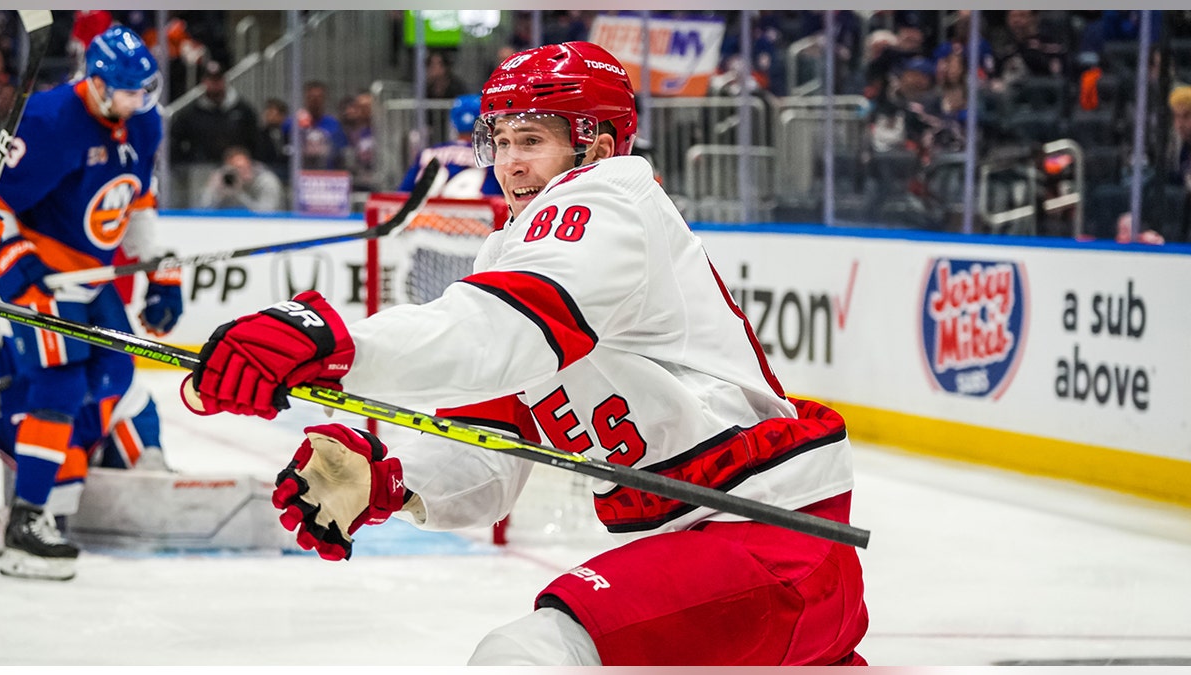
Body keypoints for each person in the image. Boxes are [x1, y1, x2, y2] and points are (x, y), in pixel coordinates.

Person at [181, 41, 867, 666]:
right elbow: (487, 447)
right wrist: (391, 476)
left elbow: (502, 332)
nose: (509, 162)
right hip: (719, 550)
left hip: (766, 540)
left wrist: (340, 344)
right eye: (502, 140)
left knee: (525, 654)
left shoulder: (610, 199)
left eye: (532, 139)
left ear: (597, 147)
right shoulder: (513, 250)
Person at [0, 26, 182, 581]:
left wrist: (161, 271)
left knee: (117, 371)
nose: (137, 102)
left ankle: (43, 488)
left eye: (144, 91)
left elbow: (138, 200)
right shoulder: (49, 121)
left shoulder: (143, 120)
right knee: (61, 382)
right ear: (96, 84)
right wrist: (20, 273)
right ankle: (26, 524)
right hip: (41, 276)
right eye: (127, 91)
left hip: (93, 282)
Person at [398, 93, 501, 198]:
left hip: (426, 212)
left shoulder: (428, 153)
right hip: (472, 212)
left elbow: (401, 195)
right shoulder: (490, 158)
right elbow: (497, 197)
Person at [168, 60, 260, 166]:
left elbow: (255, 140)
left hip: (236, 171)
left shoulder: (243, 110)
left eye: (218, 79)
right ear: (203, 81)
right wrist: (188, 161)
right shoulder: (191, 113)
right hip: (201, 171)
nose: (215, 84)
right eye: (211, 79)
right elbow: (176, 141)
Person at [282, 80, 347, 171]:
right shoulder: (292, 123)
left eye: (319, 97)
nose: (315, 100)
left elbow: (340, 152)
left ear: (324, 99)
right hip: (300, 174)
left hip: (328, 175)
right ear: (305, 98)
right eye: (311, 97)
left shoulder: (334, 124)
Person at [198, 145, 284, 212]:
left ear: (250, 166)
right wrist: (214, 188)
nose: (240, 172)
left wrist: (238, 195)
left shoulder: (266, 181)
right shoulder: (226, 181)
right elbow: (203, 208)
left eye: (243, 167)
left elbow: (266, 214)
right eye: (234, 169)